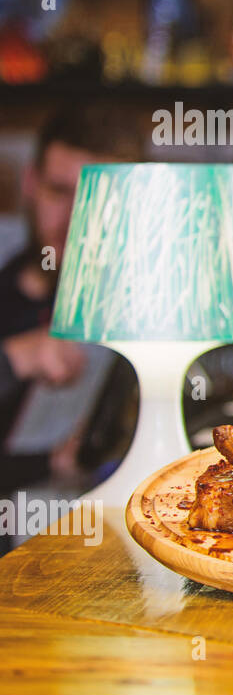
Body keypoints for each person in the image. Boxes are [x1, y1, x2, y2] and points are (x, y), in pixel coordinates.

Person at [0, 106, 138, 482]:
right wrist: (14, 359)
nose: (74, 218)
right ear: (31, 182)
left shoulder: (142, 308)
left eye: (96, 200)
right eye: (59, 192)